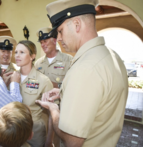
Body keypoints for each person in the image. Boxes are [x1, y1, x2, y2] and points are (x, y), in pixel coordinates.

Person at [36, 0, 129, 147]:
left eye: (60, 31)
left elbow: (72, 141)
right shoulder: (112, 56)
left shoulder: (85, 68)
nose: (58, 38)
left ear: (77, 25)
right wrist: (64, 93)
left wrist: (53, 109)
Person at [15, 40, 54, 147]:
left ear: (32, 56)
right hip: (14, 130)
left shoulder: (43, 81)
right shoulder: (12, 78)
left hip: (35, 132)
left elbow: (51, 114)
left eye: (22, 52)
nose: (17, 55)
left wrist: (49, 140)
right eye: (16, 52)